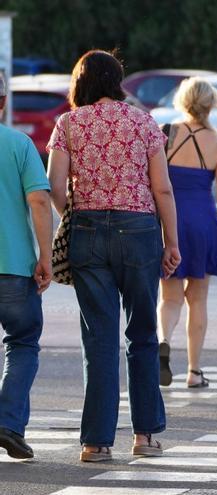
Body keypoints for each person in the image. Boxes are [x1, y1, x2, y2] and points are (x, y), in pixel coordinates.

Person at [46, 49, 179, 462]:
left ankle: (96, 443)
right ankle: (144, 437)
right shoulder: (143, 122)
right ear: (118, 80)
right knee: (141, 333)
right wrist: (171, 241)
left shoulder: (68, 124)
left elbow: (54, 184)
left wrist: (75, 215)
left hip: (86, 230)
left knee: (99, 340)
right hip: (138, 231)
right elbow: (163, 190)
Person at [157, 77, 217, 388]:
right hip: (203, 221)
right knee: (197, 299)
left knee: (170, 296)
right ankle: (194, 371)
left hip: (169, 221)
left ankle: (164, 341)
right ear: (211, 104)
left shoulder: (166, 134)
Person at [0, 73, 52, 460]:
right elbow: (38, 201)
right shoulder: (18, 144)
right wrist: (46, 255)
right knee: (22, 344)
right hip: (14, 267)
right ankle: (8, 424)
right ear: (2, 102)